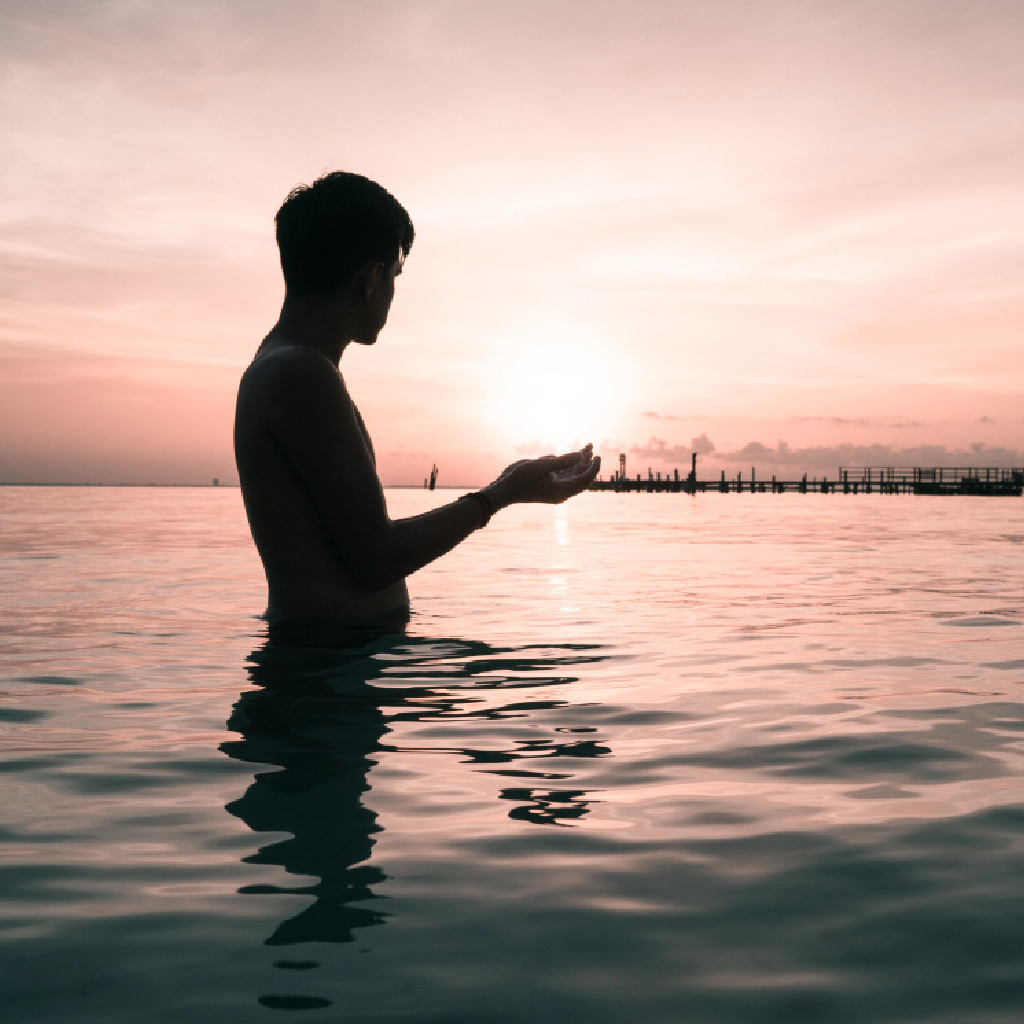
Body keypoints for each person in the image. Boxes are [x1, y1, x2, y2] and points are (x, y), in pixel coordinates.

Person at [234, 171, 600, 637]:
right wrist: (500, 494)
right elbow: (375, 559)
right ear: (372, 279)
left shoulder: (287, 368)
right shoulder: (299, 374)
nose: (392, 293)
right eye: (395, 275)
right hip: (323, 676)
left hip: (331, 670)